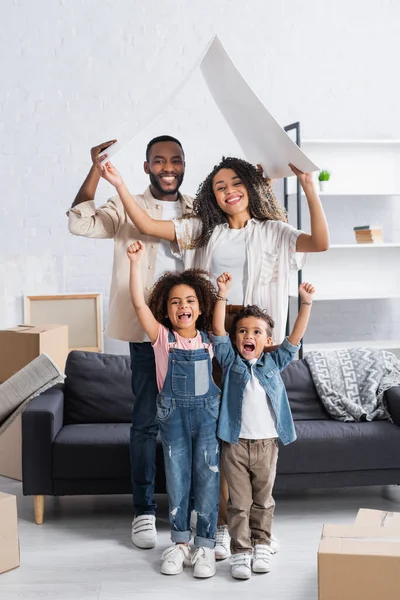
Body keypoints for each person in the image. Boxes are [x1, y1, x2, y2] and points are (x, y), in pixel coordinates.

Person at [96, 154, 329, 559]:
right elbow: (150, 225)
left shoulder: (273, 231)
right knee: (219, 437)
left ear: (251, 187)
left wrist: (310, 187)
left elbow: (320, 242)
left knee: (252, 434)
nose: (228, 191)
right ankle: (218, 525)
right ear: (212, 196)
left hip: (256, 339)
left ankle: (256, 532)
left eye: (235, 182)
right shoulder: (206, 232)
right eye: (219, 186)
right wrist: (117, 184)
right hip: (218, 337)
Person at [68, 135, 193, 550]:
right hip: (144, 333)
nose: (168, 167)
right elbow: (78, 221)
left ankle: (188, 506)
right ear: (146, 167)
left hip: (190, 336)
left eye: (175, 160)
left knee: (191, 424)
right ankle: (142, 510)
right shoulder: (124, 204)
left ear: (184, 164)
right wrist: (94, 170)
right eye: (159, 160)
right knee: (145, 422)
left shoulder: (198, 209)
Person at [126, 239, 221, 578]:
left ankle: (206, 546)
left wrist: (221, 293)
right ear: (165, 311)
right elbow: (138, 304)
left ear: (201, 308)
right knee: (178, 480)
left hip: (208, 419)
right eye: (175, 302)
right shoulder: (162, 338)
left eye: (190, 301)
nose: (183, 306)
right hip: (173, 421)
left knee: (208, 478)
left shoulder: (212, 338)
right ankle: (180, 543)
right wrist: (136, 265)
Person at [212, 272, 315, 579]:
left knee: (263, 501)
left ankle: (262, 544)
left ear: (267, 341)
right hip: (235, 443)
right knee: (239, 503)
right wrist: (222, 294)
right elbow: (218, 330)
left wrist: (306, 303)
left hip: (267, 445)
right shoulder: (230, 363)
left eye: (257, 332)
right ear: (235, 339)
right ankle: (241, 551)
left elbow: (294, 339)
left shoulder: (274, 363)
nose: (249, 336)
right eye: (242, 331)